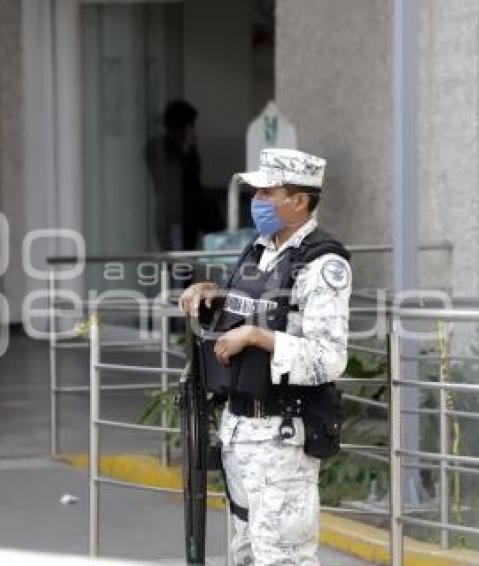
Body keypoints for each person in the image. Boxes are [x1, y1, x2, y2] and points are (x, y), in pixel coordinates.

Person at [178, 148, 352, 565]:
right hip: (240, 432)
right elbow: (254, 310)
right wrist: (213, 297)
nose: (256, 201)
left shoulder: (322, 263)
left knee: (282, 558)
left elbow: (329, 358)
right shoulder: (259, 250)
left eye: (266, 192)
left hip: (282, 436)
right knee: (244, 554)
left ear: (299, 200)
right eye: (255, 192)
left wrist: (260, 338)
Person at [144, 100, 205, 251]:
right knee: (179, 263)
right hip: (174, 215)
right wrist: (186, 147)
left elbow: (195, 171)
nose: (192, 130)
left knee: (185, 262)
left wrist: (189, 147)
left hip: (185, 215)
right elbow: (179, 174)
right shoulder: (159, 147)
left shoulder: (181, 146)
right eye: (189, 125)